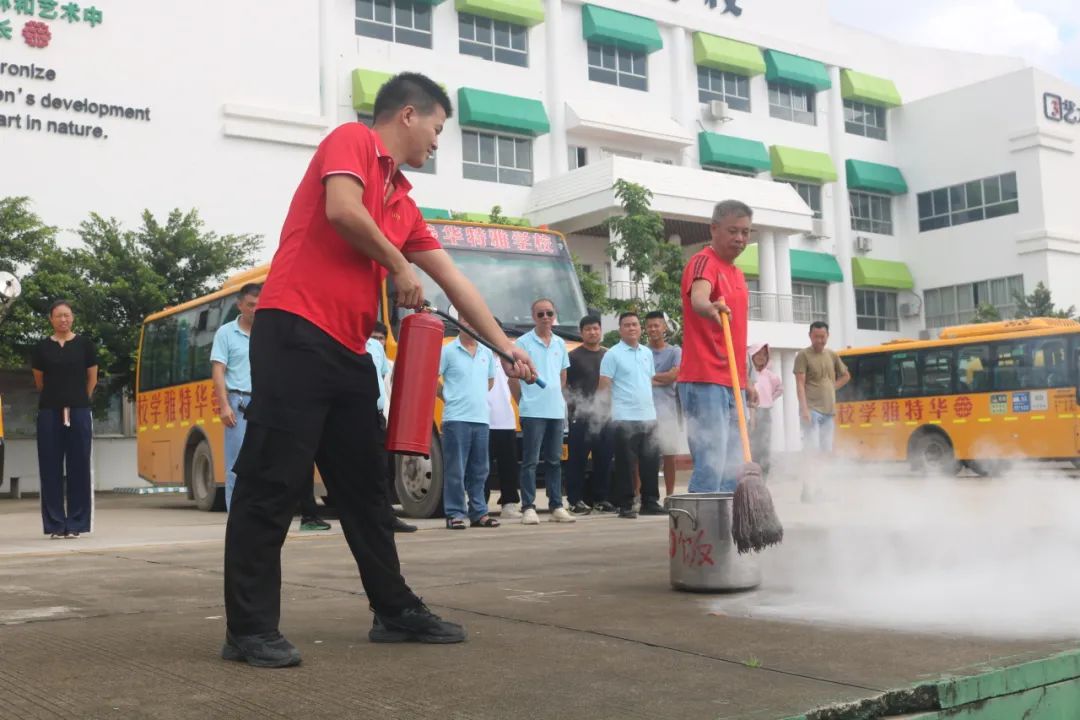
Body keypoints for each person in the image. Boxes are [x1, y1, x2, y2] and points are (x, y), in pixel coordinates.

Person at [222, 72, 535, 668]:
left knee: (367, 491)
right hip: (293, 332)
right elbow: (341, 210)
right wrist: (397, 265)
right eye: (438, 129)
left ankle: (393, 611)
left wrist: (504, 347)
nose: (438, 143)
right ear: (408, 115)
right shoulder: (351, 141)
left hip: (346, 351)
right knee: (272, 483)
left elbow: (455, 281)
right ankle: (248, 629)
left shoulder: (405, 204)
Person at [678, 200, 758, 494]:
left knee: (733, 466)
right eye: (733, 231)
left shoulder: (737, 274)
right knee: (711, 463)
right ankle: (700, 537)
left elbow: (737, 336)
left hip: (733, 383)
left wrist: (745, 380)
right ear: (714, 229)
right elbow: (699, 295)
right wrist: (708, 307)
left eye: (746, 233)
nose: (740, 239)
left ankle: (724, 533)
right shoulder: (704, 262)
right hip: (704, 379)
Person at [32, 300, 98, 539]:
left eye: (67, 315)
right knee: (50, 466)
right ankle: (55, 523)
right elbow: (40, 381)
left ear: (72, 318)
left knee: (79, 465)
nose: (63, 319)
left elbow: (92, 378)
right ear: (51, 319)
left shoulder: (84, 345)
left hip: (79, 410)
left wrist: (80, 399)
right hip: (49, 411)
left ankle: (77, 522)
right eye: (59, 316)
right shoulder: (41, 348)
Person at [509, 298, 575, 525]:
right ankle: (528, 506)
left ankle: (556, 505)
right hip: (532, 411)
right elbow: (514, 378)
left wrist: (554, 397)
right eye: (540, 314)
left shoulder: (560, 343)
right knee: (530, 460)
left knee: (555, 460)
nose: (545, 317)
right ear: (533, 316)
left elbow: (562, 377)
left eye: (549, 313)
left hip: (556, 411)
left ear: (554, 315)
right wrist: (524, 401)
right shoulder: (523, 343)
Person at [599, 312, 664, 518]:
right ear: (620, 329)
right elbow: (604, 386)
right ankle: (626, 504)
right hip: (624, 416)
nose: (632, 328)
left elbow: (649, 381)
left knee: (650, 461)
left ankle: (650, 501)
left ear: (640, 328)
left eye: (635, 324)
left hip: (649, 415)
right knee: (625, 463)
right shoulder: (612, 354)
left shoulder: (646, 353)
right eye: (627, 325)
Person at [438, 322, 499, 529]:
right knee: (456, 469)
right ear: (458, 324)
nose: (471, 326)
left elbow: (490, 381)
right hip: (456, 418)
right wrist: (447, 395)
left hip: (481, 418)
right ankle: (455, 513)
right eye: (465, 321)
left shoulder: (486, 352)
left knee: (480, 469)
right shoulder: (448, 351)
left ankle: (479, 513)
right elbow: (431, 377)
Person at [368, 321, 417, 533]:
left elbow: (385, 379)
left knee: (384, 468)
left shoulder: (376, 347)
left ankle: (386, 516)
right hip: (353, 414)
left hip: (377, 415)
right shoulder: (345, 344)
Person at [565, 315, 614, 515]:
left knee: (604, 459)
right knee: (577, 460)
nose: (592, 332)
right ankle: (575, 500)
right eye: (588, 329)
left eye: (596, 328)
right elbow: (565, 385)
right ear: (581, 332)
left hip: (605, 416)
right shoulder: (573, 356)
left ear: (600, 331)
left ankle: (601, 498)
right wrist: (572, 407)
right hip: (581, 416)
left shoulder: (609, 355)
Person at [794, 321, 850, 454]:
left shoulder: (832, 355)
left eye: (822, 337)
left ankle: (824, 474)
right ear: (810, 336)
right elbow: (800, 384)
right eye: (816, 337)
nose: (819, 340)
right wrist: (804, 409)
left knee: (826, 449)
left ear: (828, 336)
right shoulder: (803, 355)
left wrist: (832, 387)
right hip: (812, 409)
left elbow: (846, 376)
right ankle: (810, 473)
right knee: (812, 448)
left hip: (829, 411)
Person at [644, 311, 682, 497]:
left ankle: (670, 495)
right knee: (641, 457)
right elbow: (638, 377)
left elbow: (674, 376)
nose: (653, 329)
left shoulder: (675, 351)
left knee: (669, 456)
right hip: (644, 413)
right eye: (649, 326)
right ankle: (639, 496)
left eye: (656, 325)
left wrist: (649, 377)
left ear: (664, 327)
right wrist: (662, 378)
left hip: (668, 413)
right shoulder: (641, 351)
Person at [487, 361, 522, 518]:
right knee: (481, 467)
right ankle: (479, 503)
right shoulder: (479, 352)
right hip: (481, 417)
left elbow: (514, 381)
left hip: (505, 419)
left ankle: (509, 503)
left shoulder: (506, 355)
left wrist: (523, 406)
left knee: (508, 465)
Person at [749, 343, 783, 477]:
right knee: (751, 446)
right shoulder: (747, 373)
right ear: (752, 354)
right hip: (750, 413)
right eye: (758, 353)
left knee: (764, 447)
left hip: (765, 413)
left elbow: (780, 389)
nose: (761, 357)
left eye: (764, 354)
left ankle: (763, 479)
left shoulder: (770, 375)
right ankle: (751, 478)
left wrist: (768, 400)